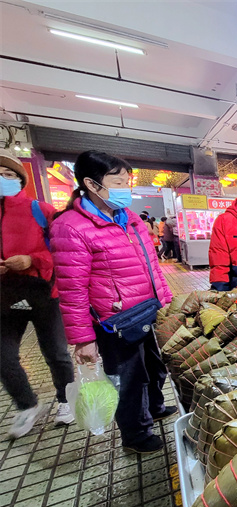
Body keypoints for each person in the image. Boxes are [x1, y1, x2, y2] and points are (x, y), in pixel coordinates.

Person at [50, 150, 176, 454]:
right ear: (92, 184)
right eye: (118, 181)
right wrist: (83, 340)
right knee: (129, 379)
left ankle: (155, 407)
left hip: (147, 310)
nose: (126, 188)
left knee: (156, 369)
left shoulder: (130, 220)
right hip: (114, 321)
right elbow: (72, 290)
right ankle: (135, 435)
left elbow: (152, 267)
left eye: (127, 181)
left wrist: (167, 301)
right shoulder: (70, 227)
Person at [0, 149, 75, 438]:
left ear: (20, 180)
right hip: (5, 297)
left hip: (43, 292)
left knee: (56, 352)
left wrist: (32, 260)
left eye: (9, 176)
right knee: (4, 357)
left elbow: (62, 250)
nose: (4, 180)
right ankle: (26, 405)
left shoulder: (39, 210)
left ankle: (66, 399)